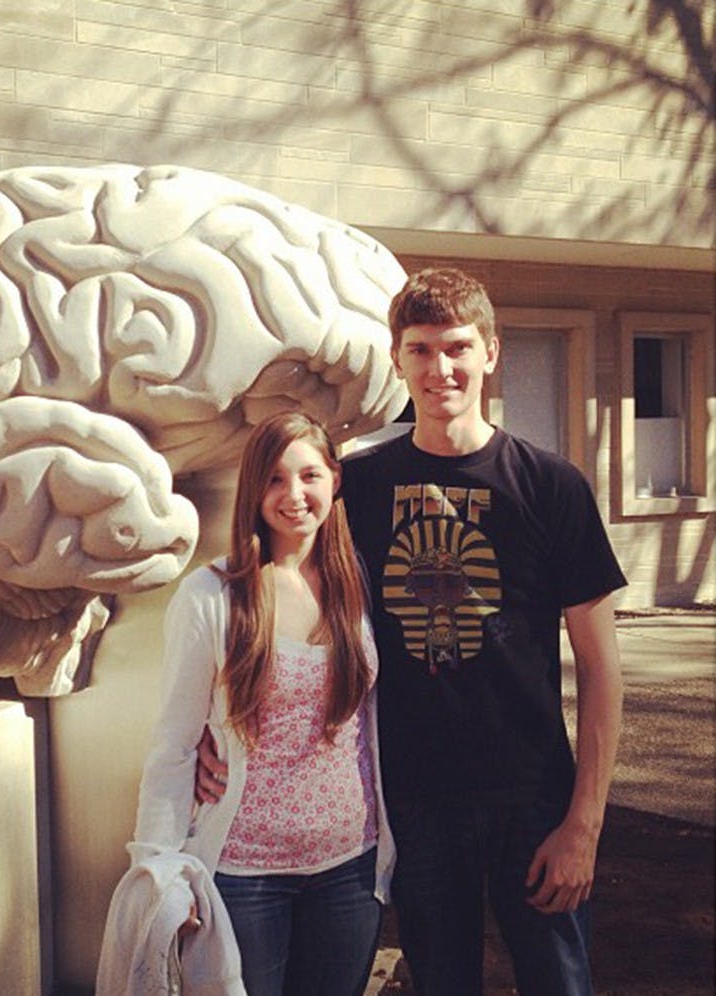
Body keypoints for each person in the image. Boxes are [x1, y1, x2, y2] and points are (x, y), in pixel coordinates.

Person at [198, 268, 625, 996]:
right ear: (398, 361)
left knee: (560, 980)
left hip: (535, 797)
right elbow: (267, 595)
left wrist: (584, 823)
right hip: (414, 800)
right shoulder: (355, 488)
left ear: (492, 352)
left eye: (457, 347)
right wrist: (215, 730)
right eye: (420, 351)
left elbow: (601, 667)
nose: (440, 369)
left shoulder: (552, 485)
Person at [121, 410, 397, 996]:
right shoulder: (210, 598)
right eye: (274, 479)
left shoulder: (359, 586)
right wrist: (162, 871)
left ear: (334, 482)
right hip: (246, 878)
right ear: (253, 488)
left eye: (309, 476)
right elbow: (173, 745)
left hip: (350, 869)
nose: (293, 495)